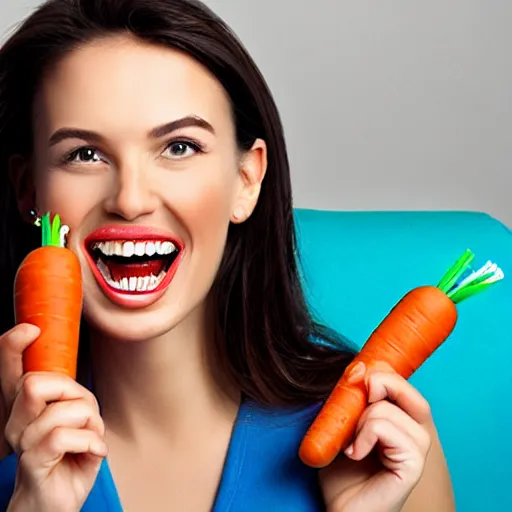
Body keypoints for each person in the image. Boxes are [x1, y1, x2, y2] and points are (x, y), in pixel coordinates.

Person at [0, 0, 456, 510]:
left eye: (179, 147)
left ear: (246, 180)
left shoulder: (377, 443)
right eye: (84, 154)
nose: (130, 199)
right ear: (29, 190)